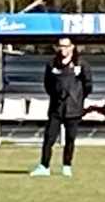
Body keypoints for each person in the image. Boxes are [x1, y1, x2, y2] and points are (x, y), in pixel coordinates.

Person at [31, 36, 95, 178]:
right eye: (60, 46)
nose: (63, 49)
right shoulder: (52, 65)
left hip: (73, 109)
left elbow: (88, 85)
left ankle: (67, 166)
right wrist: (56, 95)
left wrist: (77, 98)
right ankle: (44, 166)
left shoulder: (81, 64)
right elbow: (48, 84)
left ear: (72, 47)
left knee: (70, 139)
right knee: (49, 138)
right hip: (56, 108)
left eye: (65, 46)